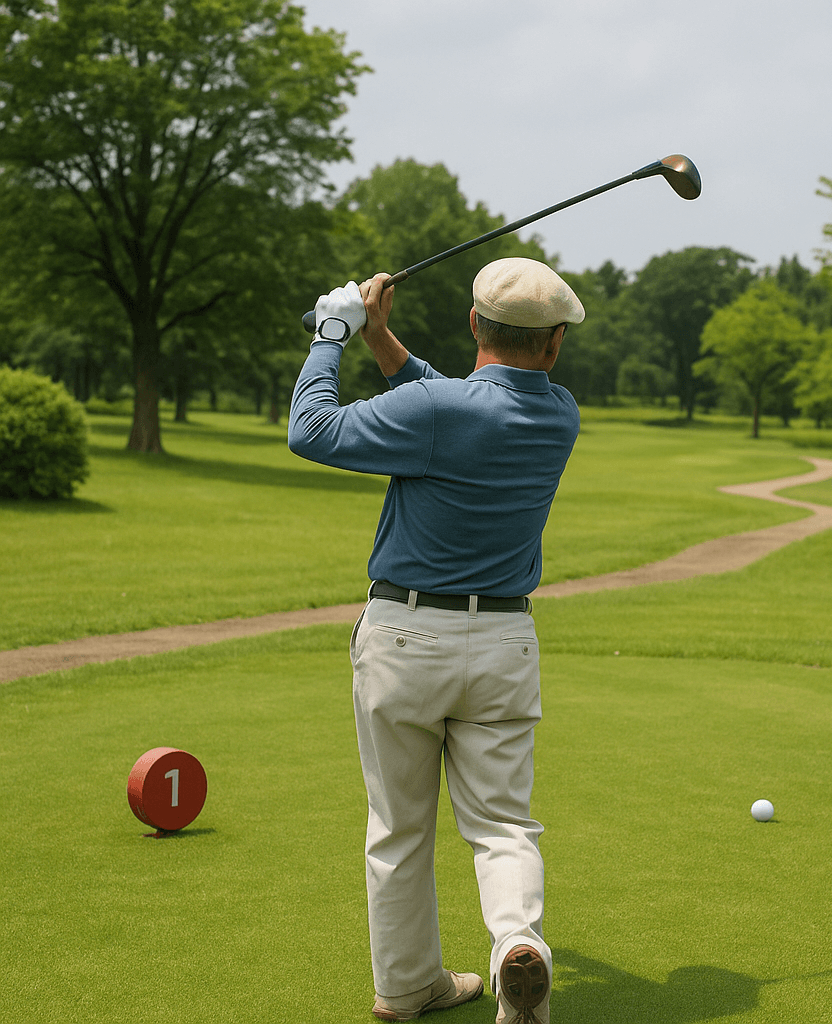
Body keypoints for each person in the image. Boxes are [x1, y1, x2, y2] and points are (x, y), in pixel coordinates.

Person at [287, 257, 585, 1024]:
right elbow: (446, 396)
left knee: (398, 828)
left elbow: (311, 429)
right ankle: (520, 945)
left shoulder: (433, 409)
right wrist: (382, 338)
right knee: (503, 824)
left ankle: (407, 987)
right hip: (502, 644)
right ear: (553, 346)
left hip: (405, 638)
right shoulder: (559, 414)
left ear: (473, 325)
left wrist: (334, 332)